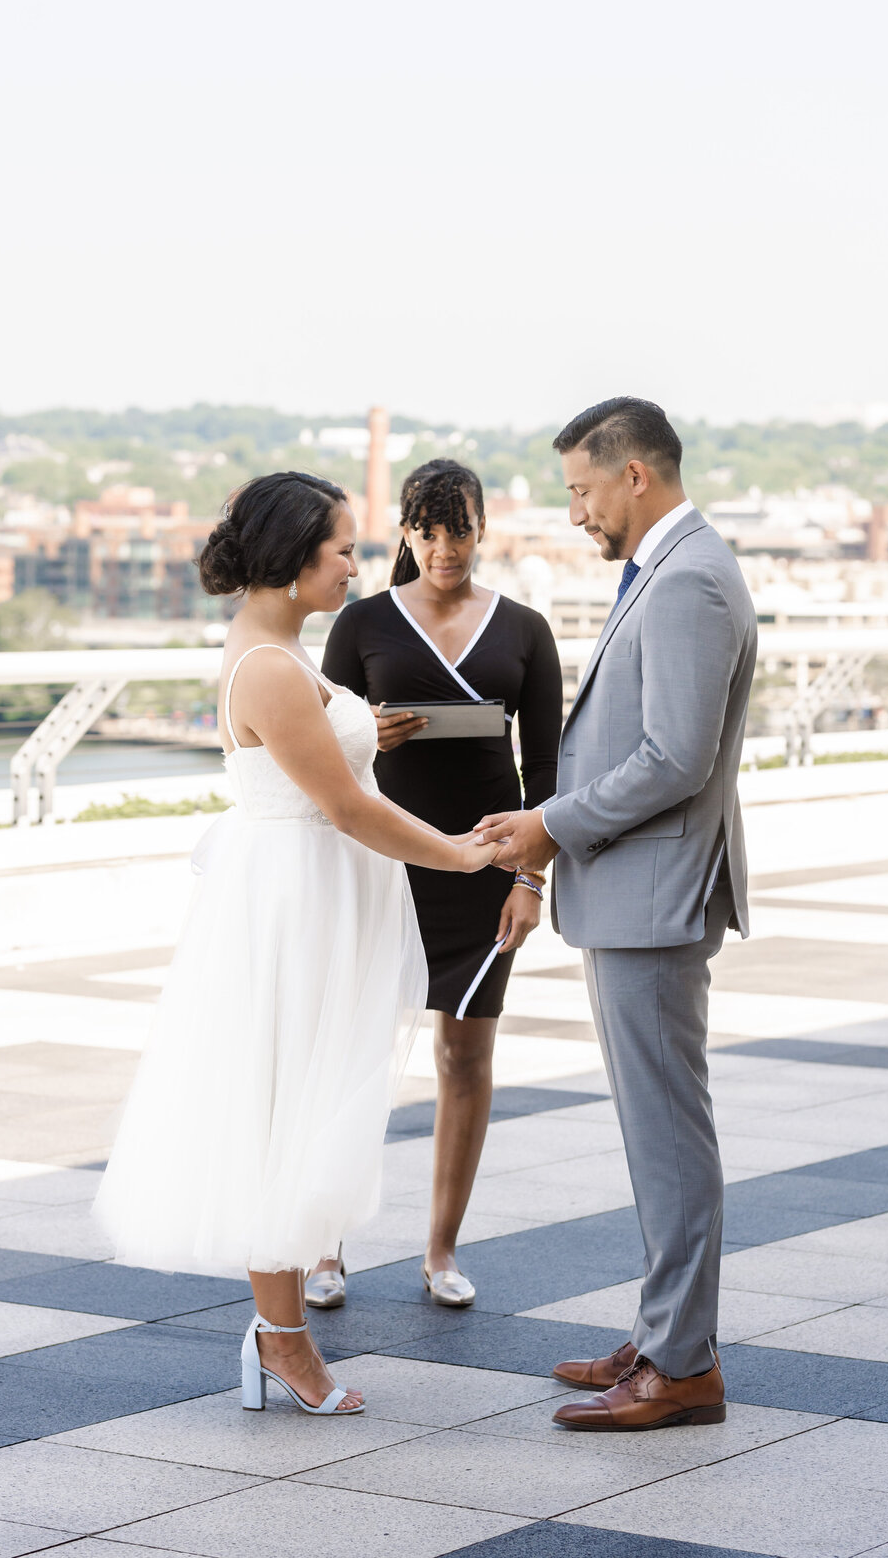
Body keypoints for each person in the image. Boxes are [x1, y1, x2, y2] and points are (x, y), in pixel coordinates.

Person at [95, 472, 494, 1419]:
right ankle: (280, 1339)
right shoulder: (270, 666)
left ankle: (280, 1334)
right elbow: (346, 807)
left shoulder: (280, 651)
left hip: (305, 893)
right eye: (344, 548)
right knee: (281, 1108)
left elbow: (336, 772)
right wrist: (462, 856)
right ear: (291, 555)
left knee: (297, 1104)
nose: (358, 563)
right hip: (293, 904)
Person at [476, 398, 757, 1432]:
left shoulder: (687, 579)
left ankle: (683, 1368)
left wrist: (550, 824)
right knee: (656, 1133)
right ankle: (667, 1332)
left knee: (669, 1134)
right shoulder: (670, 571)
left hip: (653, 898)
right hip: (636, 893)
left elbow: (674, 760)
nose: (577, 514)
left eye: (583, 492)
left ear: (635, 475)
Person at [310, 457, 562, 1308]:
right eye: (428, 529)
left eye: (459, 528)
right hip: (382, 865)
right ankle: (324, 1246)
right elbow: (320, 762)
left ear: (484, 529)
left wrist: (532, 881)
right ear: (407, 533)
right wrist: (364, 736)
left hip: (486, 869)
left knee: (465, 1054)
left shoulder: (525, 629)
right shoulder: (362, 625)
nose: (444, 546)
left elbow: (549, 774)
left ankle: (442, 1251)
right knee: (351, 1053)